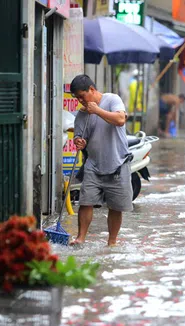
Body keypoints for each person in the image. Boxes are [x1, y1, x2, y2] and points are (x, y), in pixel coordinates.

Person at [69, 74, 133, 247]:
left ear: (92, 89)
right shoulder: (82, 114)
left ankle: (111, 242)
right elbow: (79, 136)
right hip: (93, 165)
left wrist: (97, 110)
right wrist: (79, 142)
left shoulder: (112, 99)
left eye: (82, 96)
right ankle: (80, 238)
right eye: (77, 98)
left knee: (115, 206)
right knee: (86, 201)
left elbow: (120, 119)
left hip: (117, 163)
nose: (80, 100)